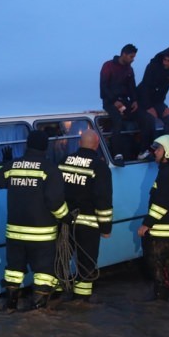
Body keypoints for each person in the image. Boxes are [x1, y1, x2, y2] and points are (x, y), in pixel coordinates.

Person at [0, 130, 70, 311]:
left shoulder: (13, 166)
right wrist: (66, 217)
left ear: (27, 145)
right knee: (43, 272)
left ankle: (10, 306)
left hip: (15, 233)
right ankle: (37, 311)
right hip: (41, 235)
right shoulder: (50, 169)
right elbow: (54, 202)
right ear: (46, 146)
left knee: (14, 270)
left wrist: (3, 163)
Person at [58, 128, 113, 302]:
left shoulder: (64, 161)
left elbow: (54, 191)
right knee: (86, 264)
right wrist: (106, 228)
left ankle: (55, 296)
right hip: (88, 225)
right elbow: (103, 200)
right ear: (96, 146)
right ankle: (80, 303)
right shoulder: (99, 166)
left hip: (64, 222)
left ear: (79, 143)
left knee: (60, 258)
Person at [137, 135, 169, 301]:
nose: (155, 152)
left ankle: (160, 302)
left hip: (162, 232)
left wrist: (146, 224)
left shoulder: (168, 173)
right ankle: (161, 301)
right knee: (165, 269)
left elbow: (161, 204)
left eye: (158, 149)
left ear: (168, 151)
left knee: (159, 269)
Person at [136, 45, 169, 159]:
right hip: (143, 98)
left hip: (158, 101)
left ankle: (165, 147)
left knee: (168, 119)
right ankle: (146, 150)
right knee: (149, 120)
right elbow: (145, 86)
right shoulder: (153, 66)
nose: (166, 63)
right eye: (165, 60)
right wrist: (148, 107)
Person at [99, 44, 141, 160]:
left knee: (142, 117)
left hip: (124, 101)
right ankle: (117, 154)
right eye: (131, 57)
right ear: (124, 54)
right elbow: (103, 86)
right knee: (117, 120)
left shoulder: (129, 69)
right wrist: (114, 101)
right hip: (109, 101)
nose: (133, 60)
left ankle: (142, 150)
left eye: (133, 57)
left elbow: (132, 87)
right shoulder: (108, 66)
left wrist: (134, 101)